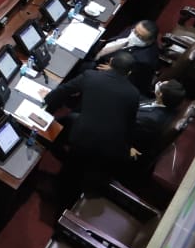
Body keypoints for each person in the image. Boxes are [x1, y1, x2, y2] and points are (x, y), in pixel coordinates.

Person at [44, 50, 141, 191]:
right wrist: (128, 144)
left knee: (71, 167)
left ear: (111, 62)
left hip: (83, 137)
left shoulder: (91, 76)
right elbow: (129, 123)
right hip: (111, 144)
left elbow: (63, 91)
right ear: (130, 72)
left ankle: (59, 190)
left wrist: (46, 99)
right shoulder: (134, 93)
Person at [93, 19, 160, 95]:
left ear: (150, 41)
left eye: (140, 37)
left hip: (115, 76)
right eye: (135, 32)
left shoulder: (144, 60)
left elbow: (135, 81)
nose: (134, 36)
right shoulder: (137, 29)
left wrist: (117, 71)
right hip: (102, 51)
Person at [130, 79, 186, 162]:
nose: (158, 83)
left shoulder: (150, 120)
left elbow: (127, 134)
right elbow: (143, 101)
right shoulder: (164, 103)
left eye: (160, 84)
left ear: (160, 94)